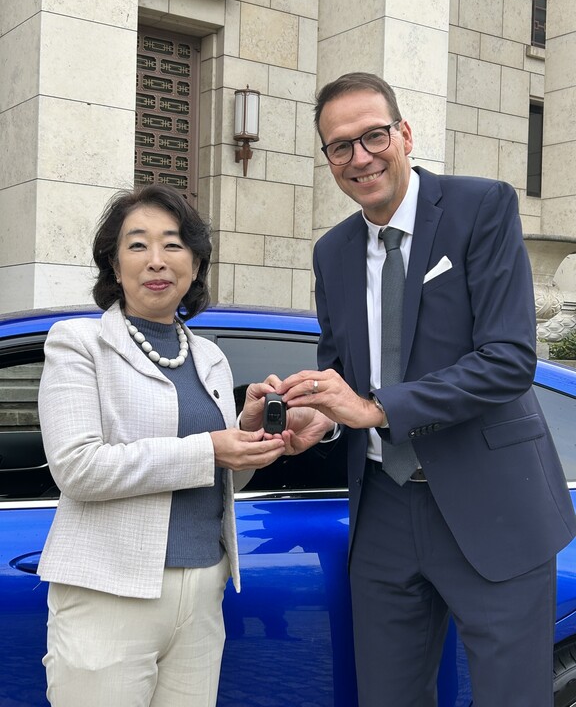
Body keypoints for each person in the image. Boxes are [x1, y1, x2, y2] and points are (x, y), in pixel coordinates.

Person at [277, 72, 576, 706]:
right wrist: (323, 418)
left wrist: (375, 408)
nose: (360, 157)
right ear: (328, 159)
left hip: (493, 502)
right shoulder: (331, 253)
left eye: (374, 135)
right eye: (340, 146)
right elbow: (343, 377)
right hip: (383, 507)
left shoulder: (481, 207)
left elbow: (508, 360)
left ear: (405, 134)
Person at [37, 184, 328, 707]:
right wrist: (210, 448)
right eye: (137, 244)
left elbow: (224, 476)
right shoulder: (79, 343)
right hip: (110, 594)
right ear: (114, 264)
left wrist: (250, 437)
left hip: (202, 590)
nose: (157, 260)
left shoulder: (210, 357)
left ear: (195, 264)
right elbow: (77, 468)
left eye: (173, 244)